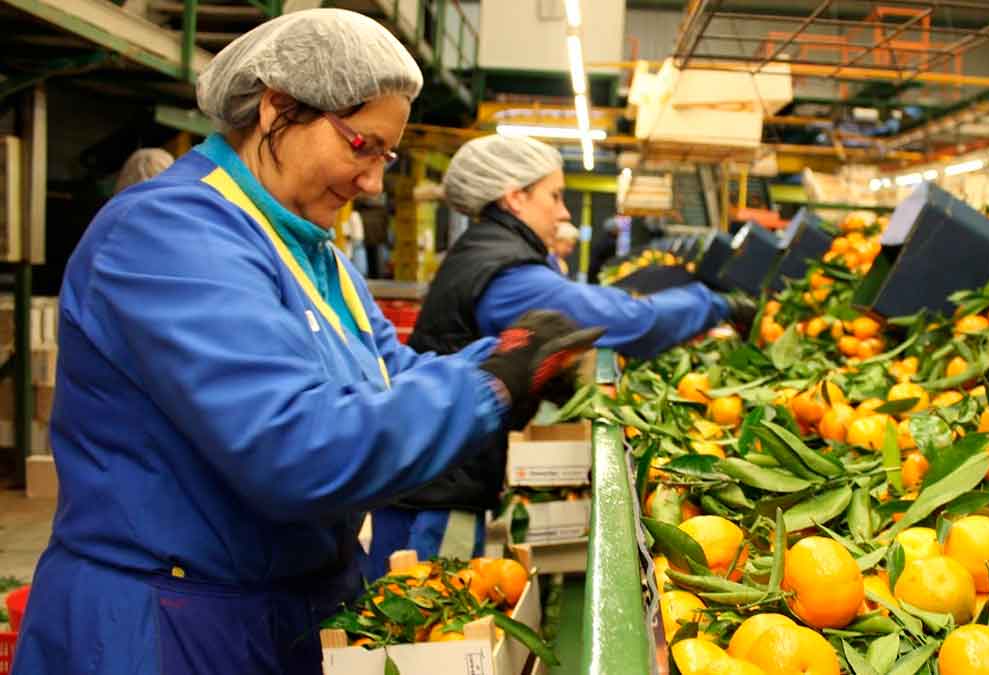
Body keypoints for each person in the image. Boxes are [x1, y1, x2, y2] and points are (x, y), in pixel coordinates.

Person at [12, 10, 599, 675]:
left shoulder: (314, 254)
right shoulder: (169, 235)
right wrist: (490, 382)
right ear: (277, 109)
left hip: (286, 610)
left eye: (388, 155)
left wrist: (509, 358)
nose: (375, 181)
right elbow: (294, 446)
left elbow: (391, 373)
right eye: (361, 145)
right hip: (165, 625)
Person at [363, 134, 757, 571]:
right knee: (420, 614)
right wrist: (715, 303)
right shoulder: (509, 275)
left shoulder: (488, 251)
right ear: (516, 197)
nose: (565, 212)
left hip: (436, 476)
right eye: (555, 195)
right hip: (436, 494)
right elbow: (625, 320)